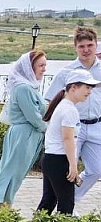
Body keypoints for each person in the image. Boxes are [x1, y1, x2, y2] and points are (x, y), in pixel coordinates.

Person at [44, 27, 101, 206]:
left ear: (96, 45)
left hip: (97, 125)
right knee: (69, 169)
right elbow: (51, 100)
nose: (86, 50)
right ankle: (66, 206)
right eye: (81, 46)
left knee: (97, 169)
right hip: (72, 127)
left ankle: (73, 198)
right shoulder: (66, 72)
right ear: (75, 48)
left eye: (90, 45)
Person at [0, 50, 48, 206]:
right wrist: (48, 129)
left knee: (18, 172)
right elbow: (33, 117)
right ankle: (1, 203)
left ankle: (6, 203)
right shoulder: (23, 88)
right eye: (41, 65)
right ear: (30, 67)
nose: (44, 69)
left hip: (29, 135)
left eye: (45, 65)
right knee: (12, 170)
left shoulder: (30, 88)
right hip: (24, 135)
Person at [37, 69, 98, 214]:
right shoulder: (69, 110)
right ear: (73, 87)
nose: (89, 92)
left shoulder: (64, 106)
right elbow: (68, 139)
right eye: (87, 87)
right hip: (59, 160)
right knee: (66, 203)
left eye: (91, 88)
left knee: (49, 200)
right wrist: (73, 166)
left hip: (51, 158)